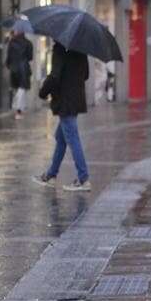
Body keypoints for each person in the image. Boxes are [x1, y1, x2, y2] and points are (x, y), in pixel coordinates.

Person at [32, 42, 92, 192]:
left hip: (65, 101)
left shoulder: (59, 48)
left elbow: (54, 76)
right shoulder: (81, 47)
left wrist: (43, 92)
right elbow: (86, 75)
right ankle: (51, 175)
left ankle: (83, 178)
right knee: (61, 138)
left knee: (72, 138)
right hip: (76, 99)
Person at [5, 26, 33, 119]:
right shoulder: (28, 43)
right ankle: (18, 110)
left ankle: (19, 109)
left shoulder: (11, 43)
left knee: (17, 89)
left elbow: (8, 57)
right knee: (22, 89)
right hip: (23, 68)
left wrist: (9, 65)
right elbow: (30, 57)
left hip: (14, 68)